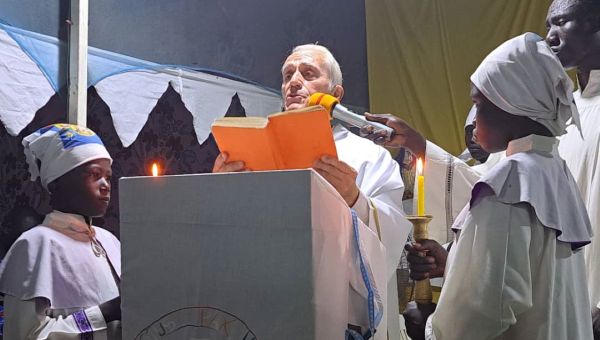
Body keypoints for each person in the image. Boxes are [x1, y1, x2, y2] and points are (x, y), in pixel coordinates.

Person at [371, 32, 594, 339]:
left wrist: (429, 327)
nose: (473, 118)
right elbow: (525, 271)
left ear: (513, 107)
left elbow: (484, 311)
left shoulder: (509, 181)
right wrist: (455, 259)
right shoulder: (552, 168)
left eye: (479, 102)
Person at [213, 44, 412, 339]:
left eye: (308, 74)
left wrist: (355, 200)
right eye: (287, 75)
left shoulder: (368, 156)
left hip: (341, 319)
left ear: (336, 94)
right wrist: (219, 193)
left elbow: (392, 238)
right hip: (265, 311)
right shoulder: (256, 150)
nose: (294, 82)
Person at [0, 124, 122, 339]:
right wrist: (103, 313)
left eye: (108, 176)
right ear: (57, 183)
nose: (106, 185)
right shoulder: (35, 245)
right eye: (95, 174)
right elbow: (24, 336)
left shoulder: (109, 241)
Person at [546, 1, 600, 337]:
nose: (549, 36)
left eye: (560, 23)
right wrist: (422, 149)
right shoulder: (559, 113)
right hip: (561, 295)